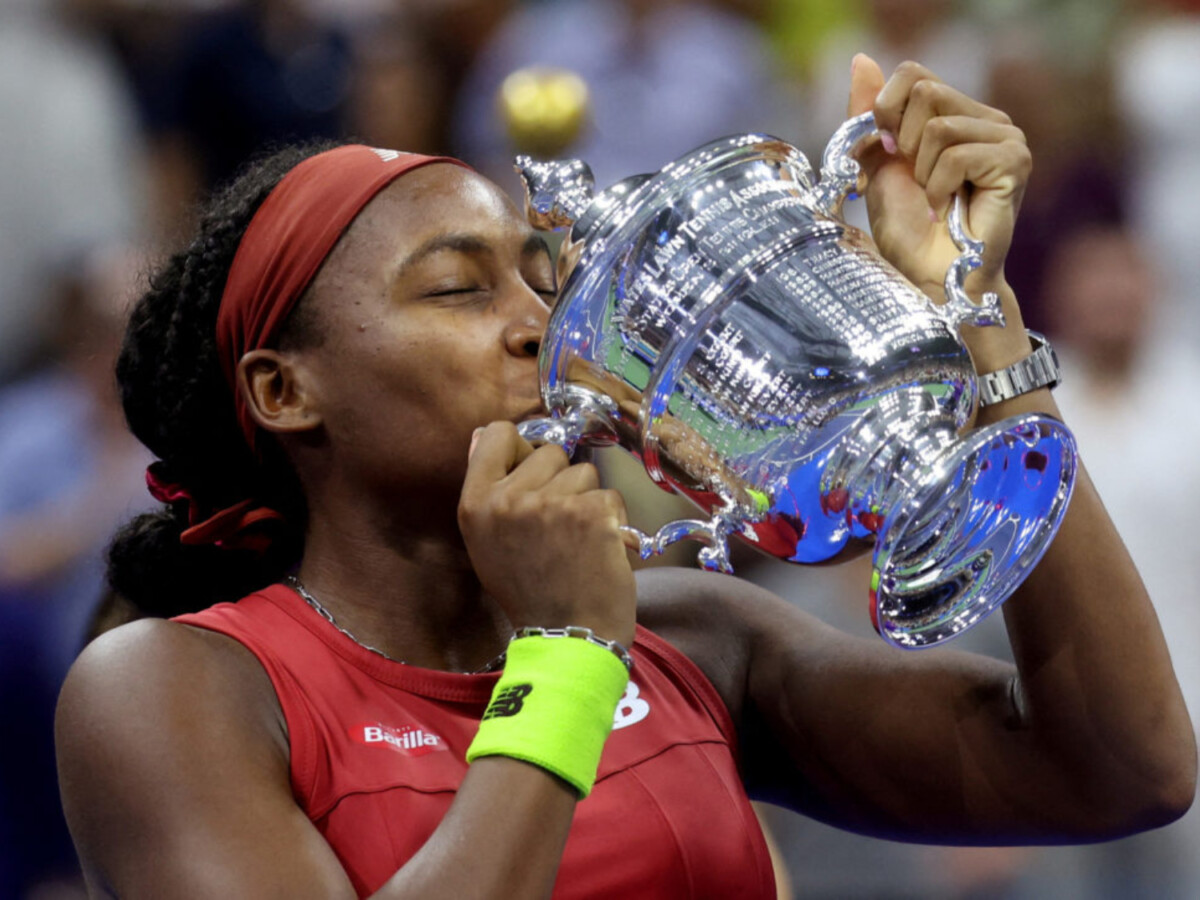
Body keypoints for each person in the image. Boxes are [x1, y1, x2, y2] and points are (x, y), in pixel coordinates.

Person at [54, 55, 1195, 899]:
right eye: (459, 289)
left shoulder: (694, 638)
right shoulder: (170, 688)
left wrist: (976, 317)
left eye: (540, 284)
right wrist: (564, 662)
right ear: (283, 391)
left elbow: (1121, 769)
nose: (538, 331)